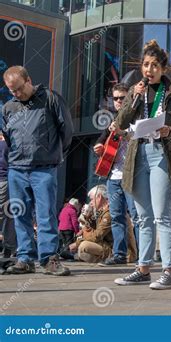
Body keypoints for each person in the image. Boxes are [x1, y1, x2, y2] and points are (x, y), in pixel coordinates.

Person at [114, 40, 171, 289]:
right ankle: (143, 268)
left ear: (163, 68)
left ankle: (168, 272)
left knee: (161, 215)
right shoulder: (136, 92)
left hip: (162, 154)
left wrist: (169, 131)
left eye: (155, 65)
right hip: (138, 155)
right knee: (143, 217)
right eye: (146, 65)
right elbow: (121, 123)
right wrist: (133, 98)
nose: (149, 70)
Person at [1, 66, 73, 276]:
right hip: (17, 169)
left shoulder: (50, 99)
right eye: (11, 90)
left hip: (44, 169)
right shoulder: (8, 108)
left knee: (45, 214)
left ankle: (49, 259)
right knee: (20, 215)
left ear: (29, 80)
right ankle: (25, 258)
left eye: (19, 89)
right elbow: (8, 137)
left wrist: (54, 154)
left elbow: (66, 130)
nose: (16, 94)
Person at [93, 83, 139, 266]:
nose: (119, 101)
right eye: (116, 98)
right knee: (117, 216)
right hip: (113, 176)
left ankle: (142, 255)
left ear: (129, 97)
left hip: (132, 174)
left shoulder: (137, 117)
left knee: (137, 217)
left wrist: (124, 132)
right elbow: (101, 140)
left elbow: (141, 138)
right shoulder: (112, 119)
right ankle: (119, 255)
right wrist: (98, 147)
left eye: (122, 97)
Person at [70, 185, 137, 264]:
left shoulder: (109, 211)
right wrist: (88, 217)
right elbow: (92, 229)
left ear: (99, 197)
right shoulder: (101, 211)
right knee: (83, 249)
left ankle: (108, 258)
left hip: (125, 253)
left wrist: (78, 243)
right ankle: (92, 258)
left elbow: (98, 235)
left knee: (84, 245)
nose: (91, 203)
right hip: (109, 245)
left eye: (92, 199)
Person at [0, 132, 16, 258]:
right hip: (5, 181)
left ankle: (8, 247)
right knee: (7, 215)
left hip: (4, 180)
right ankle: (8, 247)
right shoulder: (7, 144)